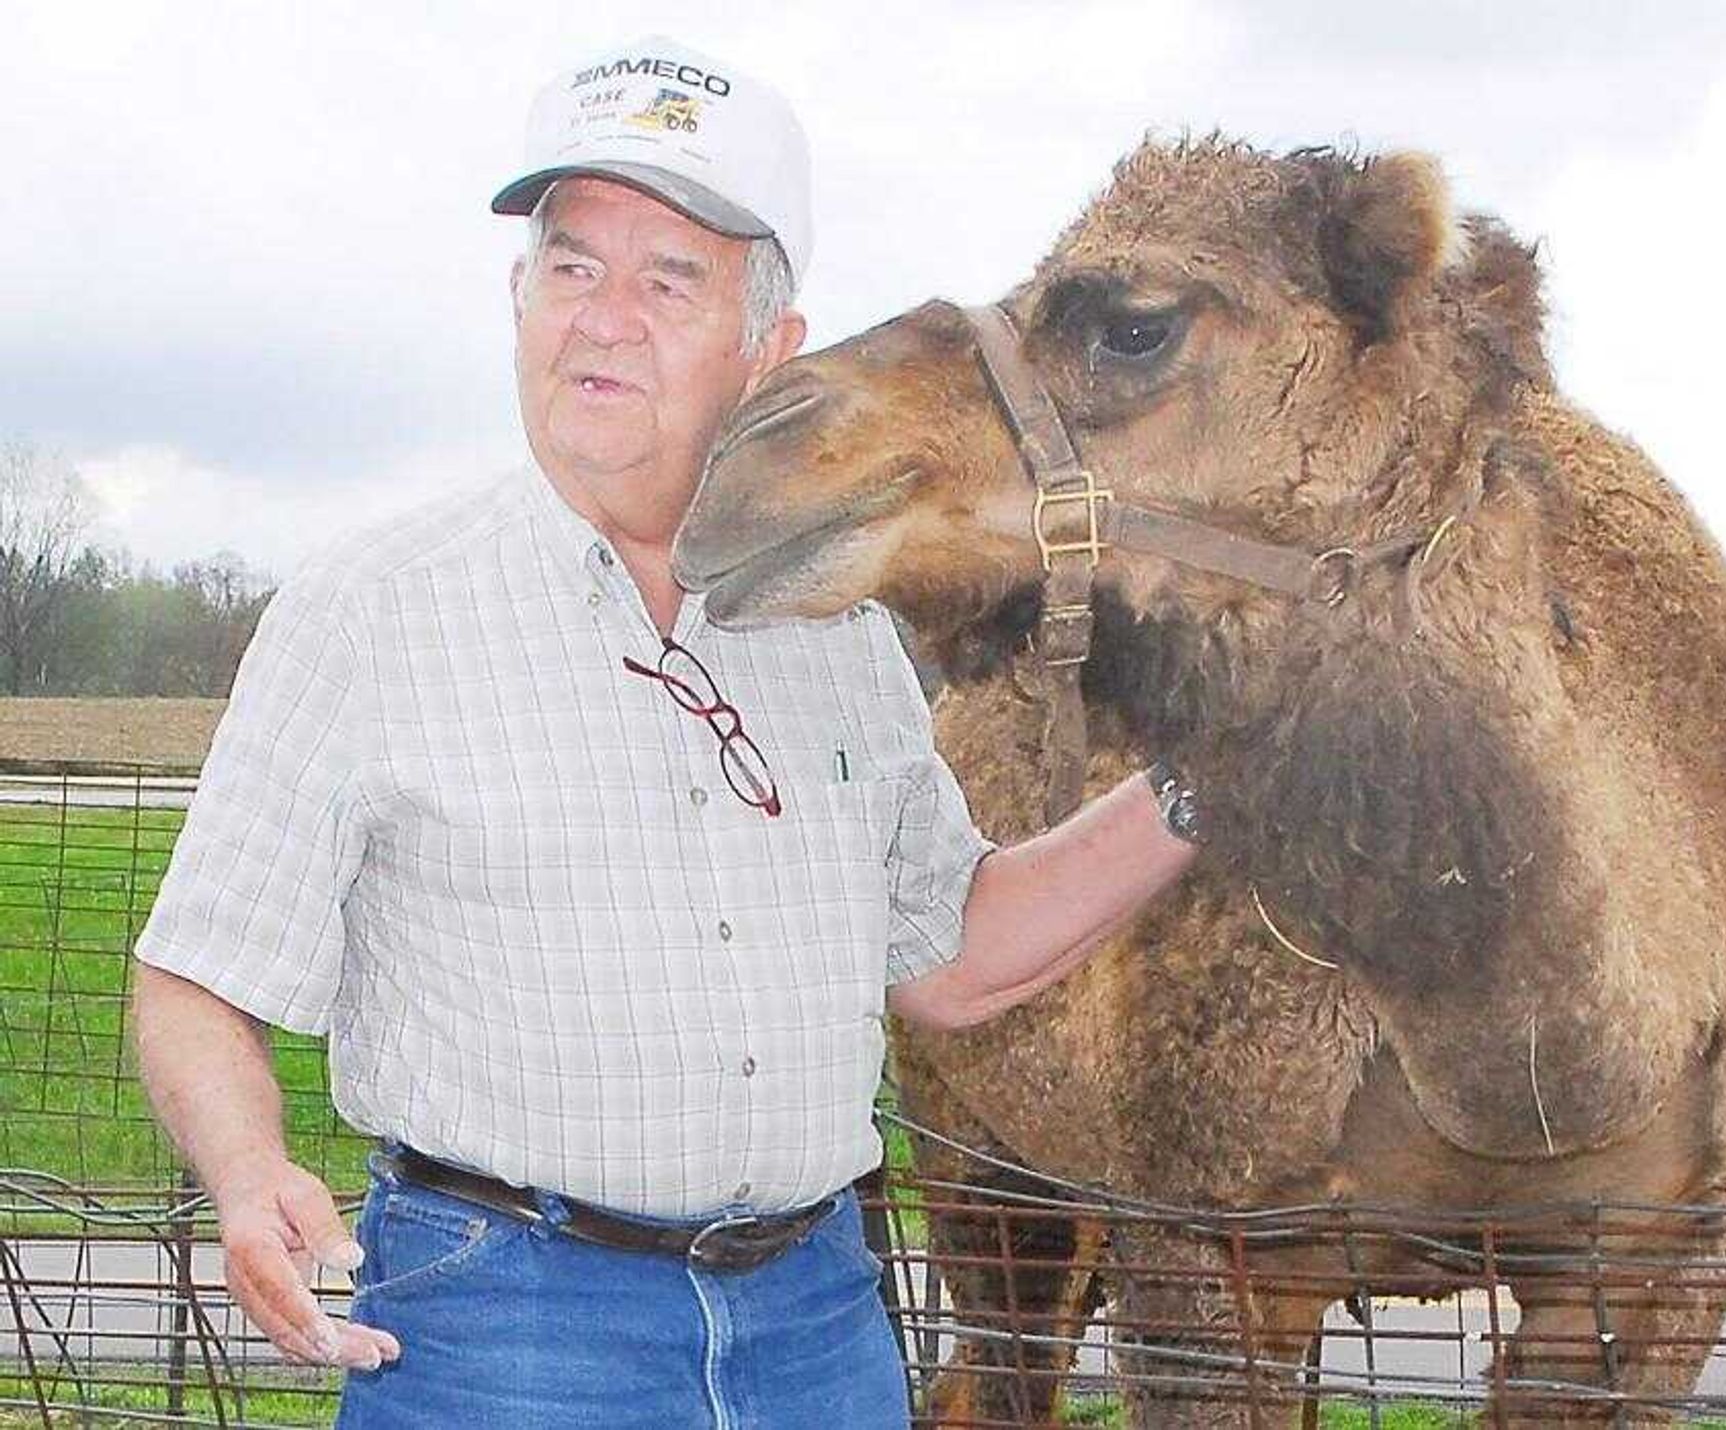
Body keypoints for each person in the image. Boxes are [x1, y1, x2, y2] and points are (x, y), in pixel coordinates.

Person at [128, 35, 1198, 1428]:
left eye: (668, 279)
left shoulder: (842, 635)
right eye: (570, 266)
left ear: (771, 350)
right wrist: (248, 1160)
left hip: (819, 1321)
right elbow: (192, 979)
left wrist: (1207, 785)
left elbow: (957, 950)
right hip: (504, 1324)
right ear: (518, 298)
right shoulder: (370, 613)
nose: (602, 316)